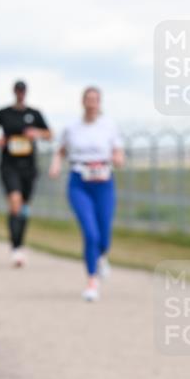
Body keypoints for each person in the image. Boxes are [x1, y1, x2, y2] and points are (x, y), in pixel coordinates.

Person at [48, 86, 124, 302]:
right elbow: (60, 151)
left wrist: (119, 158)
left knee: (104, 233)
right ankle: (92, 281)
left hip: (104, 182)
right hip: (79, 182)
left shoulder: (109, 126)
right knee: (90, 233)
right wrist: (55, 165)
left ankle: (102, 256)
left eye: (95, 99)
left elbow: (118, 151)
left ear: (100, 103)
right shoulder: (72, 128)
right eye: (88, 99)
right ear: (82, 102)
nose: (92, 103)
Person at [0, 79, 52, 267]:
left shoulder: (34, 114)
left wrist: (37, 133)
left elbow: (50, 134)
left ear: (26, 92)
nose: (20, 94)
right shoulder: (4, 113)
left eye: (23, 91)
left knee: (24, 208)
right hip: (9, 165)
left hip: (29, 166)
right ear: (14, 92)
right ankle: (15, 247)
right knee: (15, 203)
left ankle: (20, 244)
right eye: (18, 90)